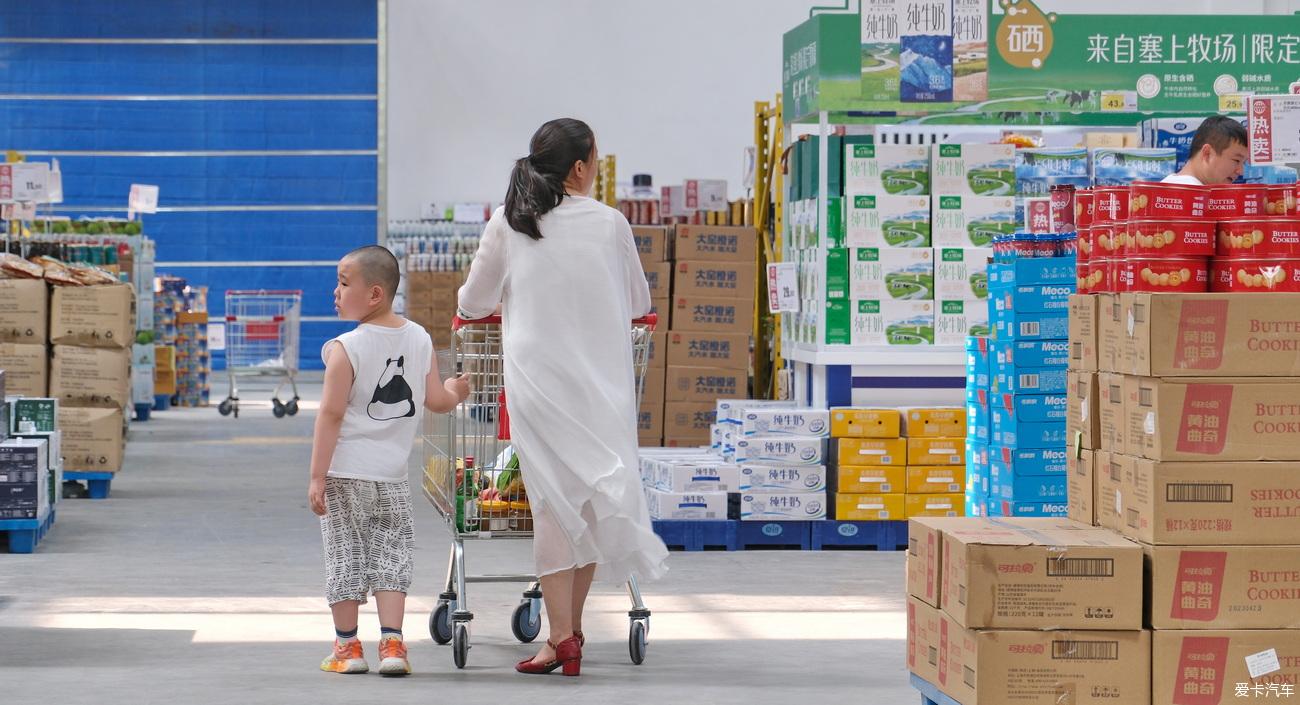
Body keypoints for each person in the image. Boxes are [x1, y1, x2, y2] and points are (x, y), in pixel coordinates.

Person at [457, 118, 669, 677]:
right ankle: (570, 630)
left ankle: (560, 639)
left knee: (552, 503)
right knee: (592, 500)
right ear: (580, 167)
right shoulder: (610, 223)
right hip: (602, 382)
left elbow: (475, 302)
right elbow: (636, 301)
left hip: (539, 380)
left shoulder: (509, 221)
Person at [308, 245, 471, 676]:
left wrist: (316, 476)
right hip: (393, 478)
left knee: (345, 554)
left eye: (344, 283)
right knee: (391, 556)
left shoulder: (345, 348)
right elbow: (437, 400)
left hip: (345, 475)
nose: (335, 292)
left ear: (375, 293)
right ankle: (393, 646)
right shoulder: (418, 338)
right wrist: (458, 390)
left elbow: (330, 414)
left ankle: (347, 649)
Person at [1161, 115, 1249, 185]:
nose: (1240, 171)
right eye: (1237, 160)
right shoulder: (1193, 194)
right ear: (1207, 153)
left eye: (1243, 162)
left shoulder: (1166, 184)